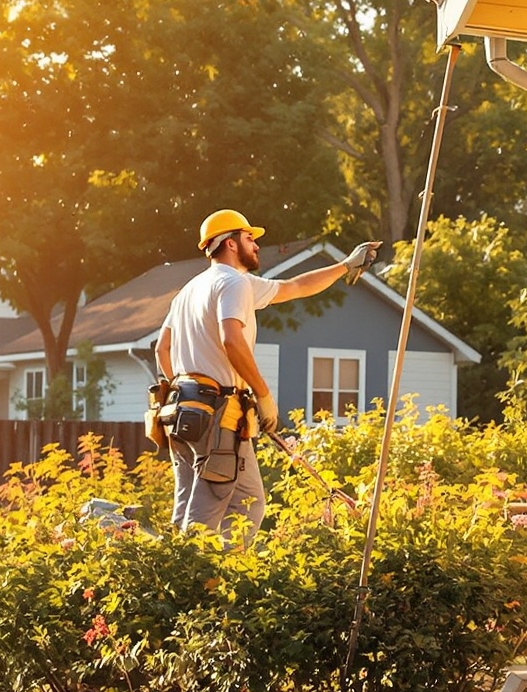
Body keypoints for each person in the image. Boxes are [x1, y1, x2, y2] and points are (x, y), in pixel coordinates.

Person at [155, 209, 377, 537]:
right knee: (206, 509)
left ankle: (224, 575)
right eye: (249, 238)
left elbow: (295, 287)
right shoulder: (232, 284)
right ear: (229, 243)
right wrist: (262, 395)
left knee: (245, 500)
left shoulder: (192, 290)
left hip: (182, 414)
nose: (257, 245)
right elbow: (232, 339)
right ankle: (197, 582)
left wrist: (345, 265)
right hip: (218, 418)